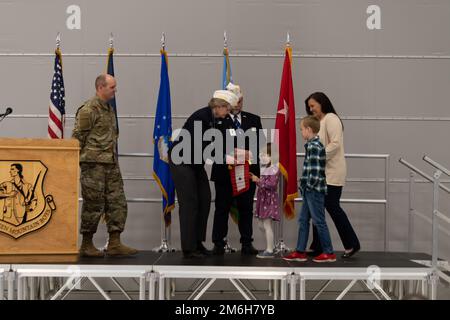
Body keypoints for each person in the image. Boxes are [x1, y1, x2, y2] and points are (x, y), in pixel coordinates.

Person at [72, 74, 138, 257]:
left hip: (110, 163)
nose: (115, 90)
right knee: (93, 204)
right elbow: (78, 139)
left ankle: (115, 243)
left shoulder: (109, 109)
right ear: (100, 87)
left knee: (117, 202)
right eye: (112, 87)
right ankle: (86, 244)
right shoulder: (88, 110)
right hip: (93, 165)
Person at [169, 90, 239, 259]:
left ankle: (198, 242)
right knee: (190, 203)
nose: (228, 113)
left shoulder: (217, 119)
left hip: (195, 162)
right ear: (218, 106)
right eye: (227, 109)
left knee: (205, 199)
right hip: (182, 161)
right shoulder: (201, 117)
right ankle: (188, 247)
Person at [305, 92, 360, 258]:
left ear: (322, 103)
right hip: (320, 173)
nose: (311, 109)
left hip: (333, 172)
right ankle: (318, 245)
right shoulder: (318, 122)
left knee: (332, 206)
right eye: (309, 107)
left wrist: (317, 155)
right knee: (317, 209)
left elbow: (335, 144)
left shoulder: (331, 119)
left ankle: (352, 243)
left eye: (313, 105)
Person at [211, 83, 262, 255]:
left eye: (240, 100)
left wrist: (250, 158)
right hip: (225, 172)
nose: (238, 103)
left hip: (247, 172)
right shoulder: (217, 121)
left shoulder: (253, 119)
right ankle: (219, 243)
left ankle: (247, 242)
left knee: (246, 208)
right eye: (234, 100)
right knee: (222, 207)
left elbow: (260, 146)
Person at [283, 116, 336, 263]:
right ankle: (300, 251)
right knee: (303, 220)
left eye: (301, 129)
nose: (301, 132)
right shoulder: (312, 145)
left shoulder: (314, 146)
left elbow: (316, 170)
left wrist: (308, 186)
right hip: (309, 190)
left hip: (314, 190)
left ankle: (328, 252)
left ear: (309, 129)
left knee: (319, 221)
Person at [251, 143, 280, 259]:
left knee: (267, 224)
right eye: (261, 155)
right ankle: (270, 246)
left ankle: (269, 249)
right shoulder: (267, 168)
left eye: (265, 155)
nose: (262, 157)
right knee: (260, 225)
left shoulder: (274, 168)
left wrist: (257, 180)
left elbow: (272, 185)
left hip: (269, 200)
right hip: (263, 199)